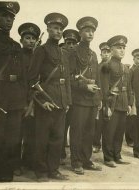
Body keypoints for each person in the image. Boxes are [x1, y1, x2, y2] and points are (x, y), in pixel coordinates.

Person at [27, 12, 71, 182]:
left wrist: (67, 101)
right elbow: (31, 79)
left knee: (58, 138)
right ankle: (41, 171)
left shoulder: (64, 53)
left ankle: (54, 170)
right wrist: (41, 101)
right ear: (48, 29)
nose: (58, 31)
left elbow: (66, 79)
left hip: (60, 101)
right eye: (55, 28)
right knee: (42, 138)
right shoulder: (41, 50)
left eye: (60, 29)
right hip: (46, 100)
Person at [0, 1, 26, 182]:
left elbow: (23, 75)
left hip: (16, 100)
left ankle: (7, 178)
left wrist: (25, 100)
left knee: (13, 141)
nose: (9, 20)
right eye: (4, 16)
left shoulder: (16, 46)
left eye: (11, 17)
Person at [68, 16, 102, 175]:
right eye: (87, 30)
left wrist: (98, 98)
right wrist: (84, 86)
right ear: (80, 32)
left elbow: (98, 78)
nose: (90, 34)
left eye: (92, 31)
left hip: (92, 100)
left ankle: (86, 160)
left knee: (89, 132)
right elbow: (69, 78)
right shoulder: (72, 52)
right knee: (77, 131)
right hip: (79, 100)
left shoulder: (94, 54)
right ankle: (76, 162)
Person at [13, 22, 41, 175]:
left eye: (33, 39)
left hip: (35, 100)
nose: (31, 41)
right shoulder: (16, 55)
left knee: (32, 133)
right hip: (19, 100)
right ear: (21, 40)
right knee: (17, 134)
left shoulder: (39, 55)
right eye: (28, 38)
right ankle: (16, 164)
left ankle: (28, 162)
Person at [101, 35, 133, 167]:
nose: (121, 50)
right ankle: (108, 158)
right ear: (111, 49)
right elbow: (104, 87)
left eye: (123, 48)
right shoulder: (106, 66)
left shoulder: (125, 68)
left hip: (123, 103)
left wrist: (130, 104)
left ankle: (117, 155)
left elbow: (129, 88)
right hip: (112, 103)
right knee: (109, 131)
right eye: (118, 48)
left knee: (120, 131)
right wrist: (106, 106)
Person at [60, 29, 80, 165]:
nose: (71, 45)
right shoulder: (60, 56)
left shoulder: (79, 58)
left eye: (74, 43)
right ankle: (60, 152)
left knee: (75, 127)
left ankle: (74, 156)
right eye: (68, 42)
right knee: (62, 126)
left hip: (77, 98)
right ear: (64, 43)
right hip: (63, 97)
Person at [93, 42, 111, 153]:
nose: (106, 54)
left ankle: (106, 145)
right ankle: (96, 144)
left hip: (110, 98)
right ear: (101, 54)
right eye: (104, 52)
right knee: (98, 124)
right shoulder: (99, 67)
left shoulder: (113, 66)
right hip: (100, 98)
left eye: (108, 52)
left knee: (108, 123)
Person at [125, 49, 139, 147]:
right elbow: (129, 85)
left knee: (137, 119)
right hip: (133, 97)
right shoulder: (131, 70)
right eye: (138, 58)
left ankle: (135, 138)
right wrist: (130, 98)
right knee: (131, 119)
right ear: (133, 59)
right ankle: (129, 139)